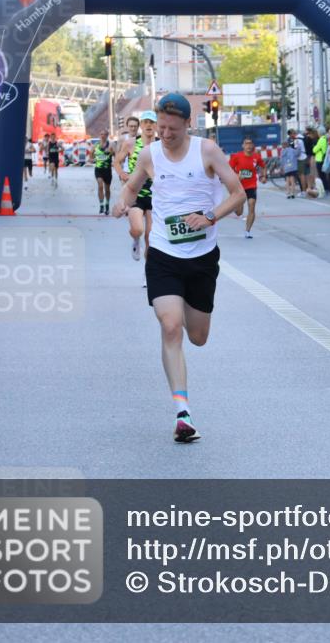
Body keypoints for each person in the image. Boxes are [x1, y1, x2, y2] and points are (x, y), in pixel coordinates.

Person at [111, 93, 245, 443]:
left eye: (172, 128)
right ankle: (182, 413)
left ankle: (184, 307)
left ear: (188, 124)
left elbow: (238, 193)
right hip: (164, 255)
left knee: (197, 337)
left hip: (202, 258)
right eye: (160, 128)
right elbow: (132, 186)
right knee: (170, 326)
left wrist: (210, 216)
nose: (165, 135)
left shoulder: (208, 151)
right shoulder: (149, 153)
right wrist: (122, 202)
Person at [124, 111, 159, 273]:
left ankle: (148, 272)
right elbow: (117, 161)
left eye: (152, 122)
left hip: (155, 196)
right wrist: (123, 174)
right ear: (141, 126)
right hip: (136, 193)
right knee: (138, 229)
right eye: (145, 122)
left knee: (150, 237)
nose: (149, 125)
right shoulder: (131, 144)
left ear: (156, 125)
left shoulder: (162, 145)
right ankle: (135, 240)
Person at [229, 136, 265, 238]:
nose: (248, 146)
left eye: (250, 143)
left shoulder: (256, 157)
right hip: (239, 186)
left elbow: (263, 166)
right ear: (243, 145)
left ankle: (247, 231)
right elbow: (228, 169)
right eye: (246, 143)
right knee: (239, 212)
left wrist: (263, 176)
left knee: (252, 205)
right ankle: (236, 206)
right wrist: (236, 176)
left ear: (253, 145)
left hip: (251, 185)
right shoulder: (236, 156)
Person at [92, 130, 114, 214]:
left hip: (107, 170)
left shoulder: (111, 145)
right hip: (98, 169)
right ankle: (101, 205)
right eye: (101, 134)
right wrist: (92, 159)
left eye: (104, 134)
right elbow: (91, 155)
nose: (102, 136)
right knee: (100, 186)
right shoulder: (96, 145)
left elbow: (116, 155)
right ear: (99, 135)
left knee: (107, 189)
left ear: (107, 135)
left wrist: (111, 152)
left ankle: (107, 204)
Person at [281, 133, 300, 199]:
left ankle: (288, 193)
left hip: (286, 168)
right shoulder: (292, 150)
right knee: (292, 180)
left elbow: (282, 160)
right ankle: (293, 193)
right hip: (293, 167)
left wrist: (282, 168)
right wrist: (297, 146)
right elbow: (298, 153)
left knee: (287, 180)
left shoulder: (282, 152)